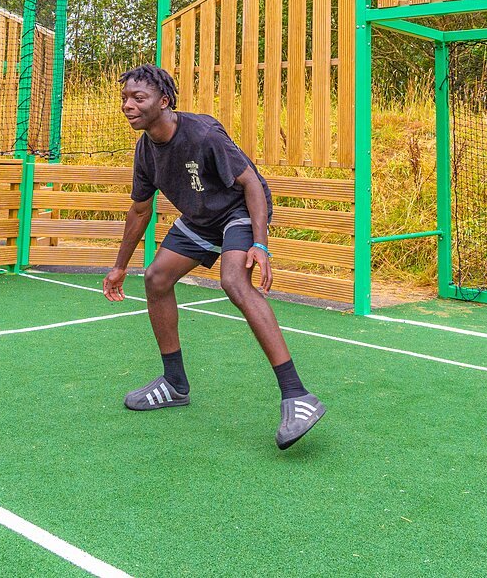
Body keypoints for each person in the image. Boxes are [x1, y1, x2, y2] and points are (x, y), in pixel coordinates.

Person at [102, 65, 324, 449]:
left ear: (164, 101)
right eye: (125, 98)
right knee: (156, 279)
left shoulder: (203, 134)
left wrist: (260, 243)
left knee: (233, 280)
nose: (128, 105)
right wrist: (120, 266)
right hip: (202, 217)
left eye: (138, 98)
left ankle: (297, 395)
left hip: (239, 209)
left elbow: (251, 183)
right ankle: (174, 384)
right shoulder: (145, 149)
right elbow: (140, 211)